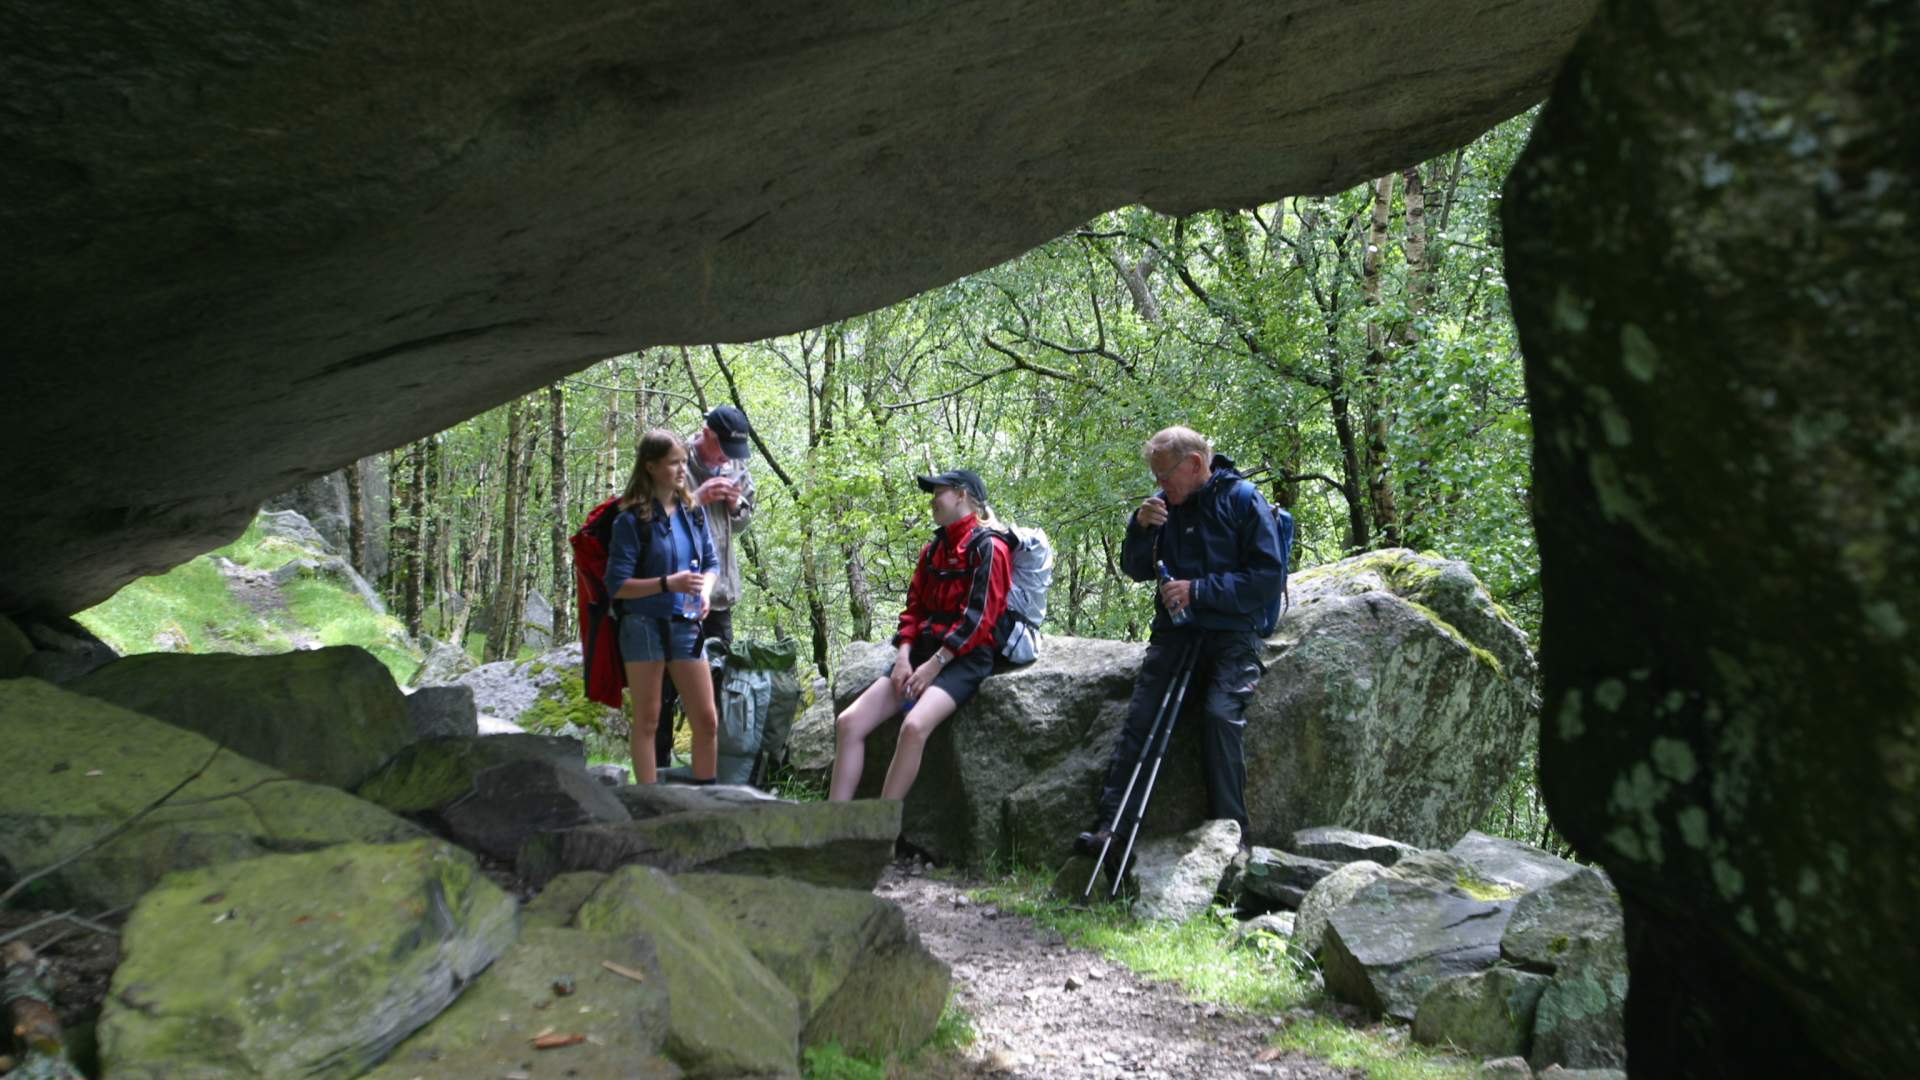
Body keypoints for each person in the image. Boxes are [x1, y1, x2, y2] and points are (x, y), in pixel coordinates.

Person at [1077, 426, 1285, 854]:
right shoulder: (1163, 509)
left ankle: (1231, 837)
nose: (1159, 484)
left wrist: (1200, 590)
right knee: (1142, 717)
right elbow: (1136, 569)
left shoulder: (1243, 501)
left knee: (1221, 715)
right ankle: (1110, 830)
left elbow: (1267, 579)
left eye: (1164, 474)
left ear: (1194, 465)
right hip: (1175, 633)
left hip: (1232, 634)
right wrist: (1138, 528)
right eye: (1155, 476)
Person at [831, 468, 1012, 802]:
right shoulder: (932, 551)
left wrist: (935, 665)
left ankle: (877, 832)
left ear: (961, 495)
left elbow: (979, 620)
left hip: (965, 659)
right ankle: (831, 826)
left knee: (914, 727)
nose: (932, 502)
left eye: (938, 493)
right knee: (848, 722)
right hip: (921, 653)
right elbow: (913, 610)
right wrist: (903, 658)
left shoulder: (990, 548)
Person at [604, 429, 721, 784]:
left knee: (707, 720)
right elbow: (617, 585)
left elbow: (712, 564)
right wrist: (668, 583)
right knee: (649, 719)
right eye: (674, 463)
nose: (682, 469)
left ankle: (706, 798)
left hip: (686, 625)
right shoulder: (630, 521)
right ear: (651, 466)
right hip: (642, 627)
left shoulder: (692, 513)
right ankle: (649, 800)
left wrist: (705, 593)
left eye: (684, 461)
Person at [650, 405, 756, 768]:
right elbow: (651, 521)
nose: (728, 457)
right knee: (666, 687)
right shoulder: (674, 461)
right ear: (707, 433)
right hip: (675, 595)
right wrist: (699, 497)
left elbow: (743, 520)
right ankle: (658, 773)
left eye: (734, 451)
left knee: (722, 685)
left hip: (720, 595)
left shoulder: (736, 464)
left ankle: (713, 773)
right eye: (723, 446)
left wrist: (735, 504)